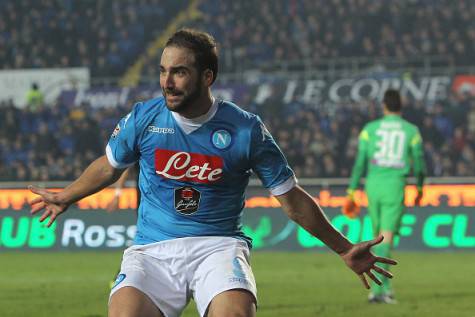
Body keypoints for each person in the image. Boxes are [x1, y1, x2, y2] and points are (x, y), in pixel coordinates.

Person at [29, 29, 396, 317]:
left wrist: (344, 248)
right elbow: (109, 166)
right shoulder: (144, 118)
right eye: (163, 71)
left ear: (207, 77)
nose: (166, 82)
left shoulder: (245, 129)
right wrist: (66, 195)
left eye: (179, 72)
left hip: (218, 247)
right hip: (152, 249)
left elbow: (292, 198)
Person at [345, 89, 426, 304]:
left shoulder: (369, 129)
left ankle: (376, 291)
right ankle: (383, 290)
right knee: (386, 237)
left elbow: (360, 161)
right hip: (394, 185)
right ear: (401, 106)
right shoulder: (411, 131)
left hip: (373, 185)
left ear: (384, 106)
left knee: (375, 236)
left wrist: (352, 190)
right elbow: (419, 164)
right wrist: (419, 188)